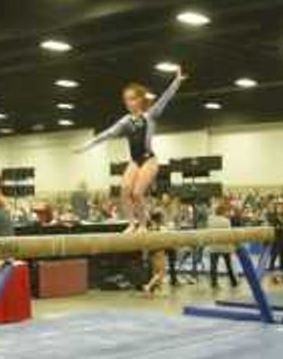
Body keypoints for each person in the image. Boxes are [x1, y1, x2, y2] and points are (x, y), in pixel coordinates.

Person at [74, 67, 187, 233]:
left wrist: (177, 81)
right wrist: (85, 146)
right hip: (135, 160)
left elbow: (165, 99)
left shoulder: (150, 115)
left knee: (137, 193)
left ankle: (143, 225)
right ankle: (132, 223)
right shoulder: (125, 121)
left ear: (141, 100)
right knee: (124, 190)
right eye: (127, 100)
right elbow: (106, 134)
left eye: (133, 99)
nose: (129, 103)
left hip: (148, 159)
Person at [207, 203, 239, 289]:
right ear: (223, 212)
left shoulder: (210, 219)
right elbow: (229, 233)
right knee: (229, 265)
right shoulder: (226, 221)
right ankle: (233, 282)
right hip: (225, 246)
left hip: (214, 246)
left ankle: (213, 283)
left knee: (213, 266)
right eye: (226, 212)